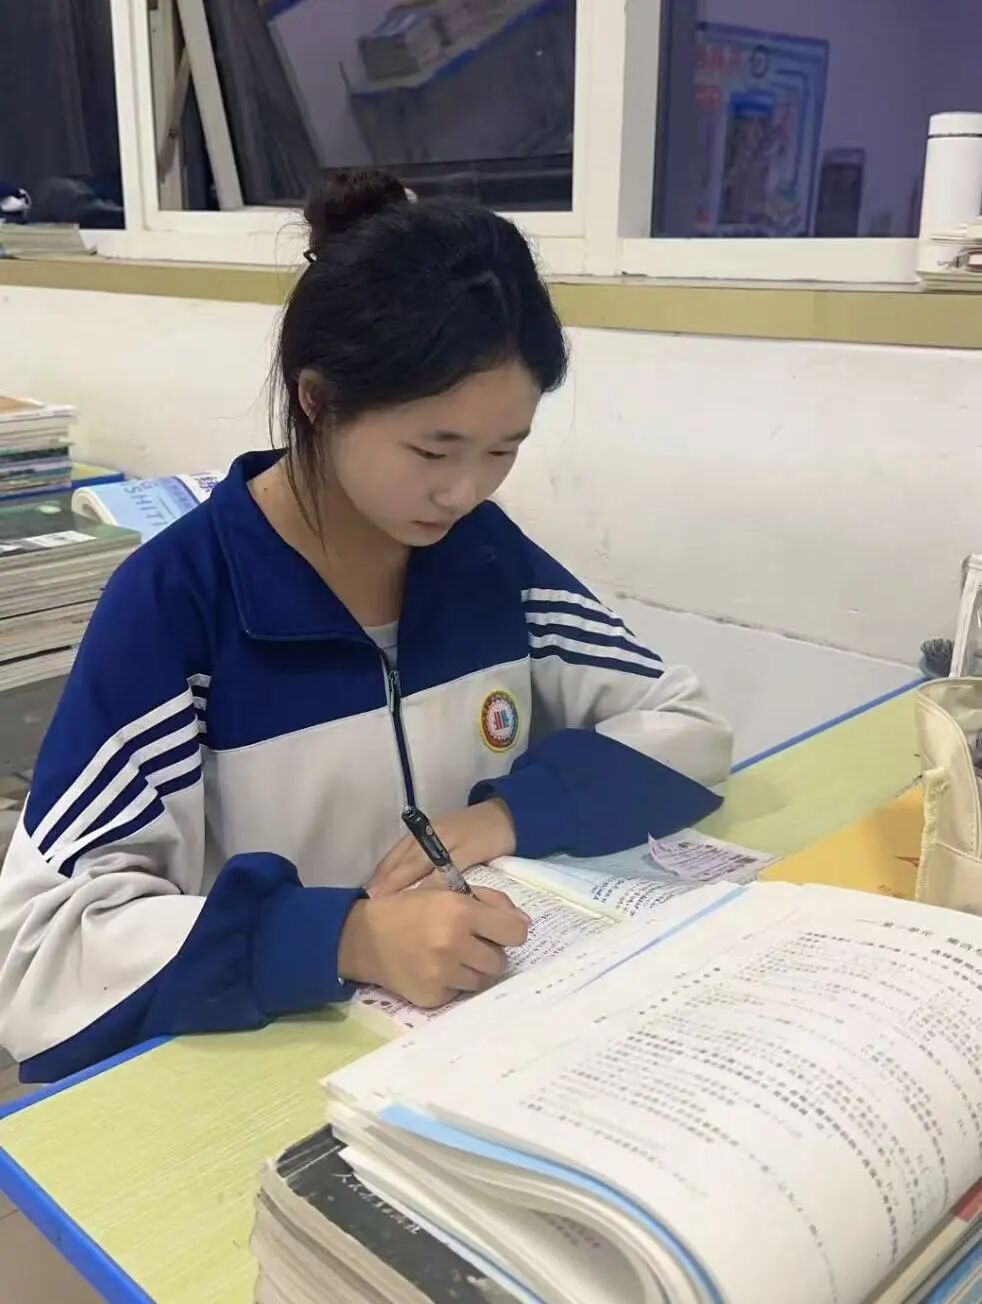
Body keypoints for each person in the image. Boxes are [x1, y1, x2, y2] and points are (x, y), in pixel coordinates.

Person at [0, 170, 733, 1082]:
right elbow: (41, 952)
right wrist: (346, 937)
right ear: (318, 402)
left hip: (476, 1049)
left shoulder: (483, 559)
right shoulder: (180, 603)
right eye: (432, 449)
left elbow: (687, 727)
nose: (464, 491)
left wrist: (510, 815)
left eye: (502, 451)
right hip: (265, 1067)